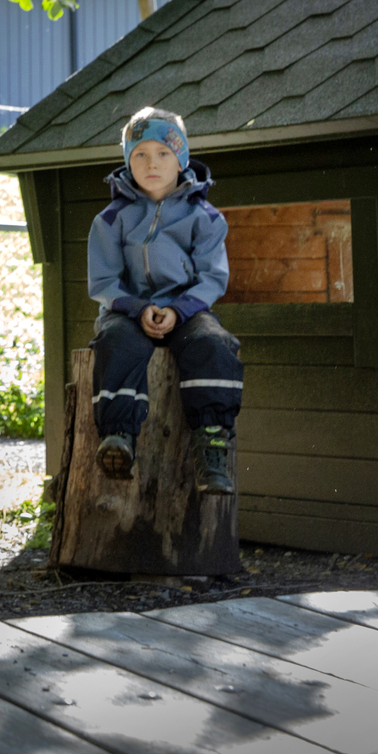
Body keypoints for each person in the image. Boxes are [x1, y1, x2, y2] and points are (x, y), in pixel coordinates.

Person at [89, 106, 243, 492]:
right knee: (116, 341)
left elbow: (212, 278)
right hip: (128, 310)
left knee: (214, 343)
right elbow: (104, 281)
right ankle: (119, 437)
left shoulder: (205, 217)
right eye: (139, 154)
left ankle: (211, 445)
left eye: (162, 153)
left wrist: (178, 309)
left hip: (186, 309)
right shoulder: (110, 219)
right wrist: (138, 308)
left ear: (181, 158)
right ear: (127, 161)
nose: (151, 163)